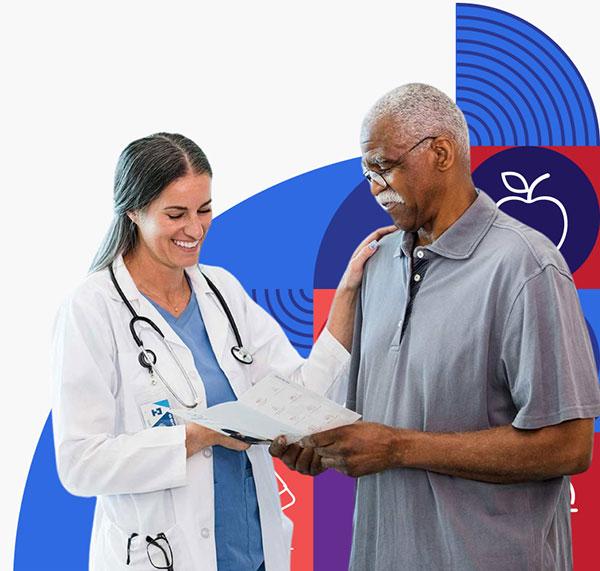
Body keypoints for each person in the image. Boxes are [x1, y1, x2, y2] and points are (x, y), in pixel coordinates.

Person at [270, 84, 600, 570]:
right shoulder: (376, 264)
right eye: (367, 174)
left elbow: (569, 445)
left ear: (441, 152)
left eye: (383, 167)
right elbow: (364, 422)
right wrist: (320, 447)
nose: (374, 187)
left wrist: (400, 448)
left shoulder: (525, 266)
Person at [51, 132, 395, 571]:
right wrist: (196, 436)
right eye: (176, 214)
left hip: (251, 551)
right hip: (165, 556)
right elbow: (80, 463)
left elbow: (301, 394)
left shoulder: (222, 291)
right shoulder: (92, 308)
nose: (195, 229)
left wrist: (346, 291)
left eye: (204, 209)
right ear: (134, 212)